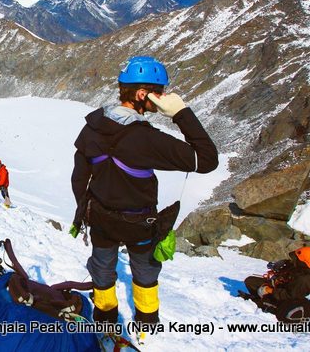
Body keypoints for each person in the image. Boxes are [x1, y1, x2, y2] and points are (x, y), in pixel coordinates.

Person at [70, 56, 219, 332]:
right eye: (159, 92)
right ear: (142, 94)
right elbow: (207, 159)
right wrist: (180, 114)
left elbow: (80, 175)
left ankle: (105, 321)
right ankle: (147, 324)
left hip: (101, 218)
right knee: (146, 271)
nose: (162, 97)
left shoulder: (93, 126)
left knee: (102, 269)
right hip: (140, 224)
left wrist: (85, 211)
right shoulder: (146, 139)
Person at [241, 246, 310, 323]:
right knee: (251, 281)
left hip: (287, 297)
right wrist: (279, 265)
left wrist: (270, 290)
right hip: (281, 288)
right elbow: (291, 265)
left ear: (303, 262)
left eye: (296, 259)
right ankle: (264, 298)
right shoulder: (301, 267)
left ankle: (264, 301)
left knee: (277, 304)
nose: (294, 261)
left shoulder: (305, 280)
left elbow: (288, 295)